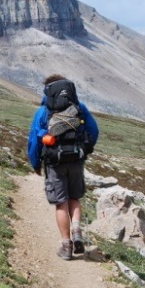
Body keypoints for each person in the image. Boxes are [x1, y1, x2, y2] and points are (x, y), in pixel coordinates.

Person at [28, 74, 99, 260]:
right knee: (74, 198)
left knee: (61, 203)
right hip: (76, 159)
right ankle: (77, 233)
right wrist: (85, 149)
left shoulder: (43, 111)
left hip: (54, 162)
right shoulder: (79, 108)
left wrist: (35, 163)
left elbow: (35, 140)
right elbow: (94, 131)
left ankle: (66, 246)